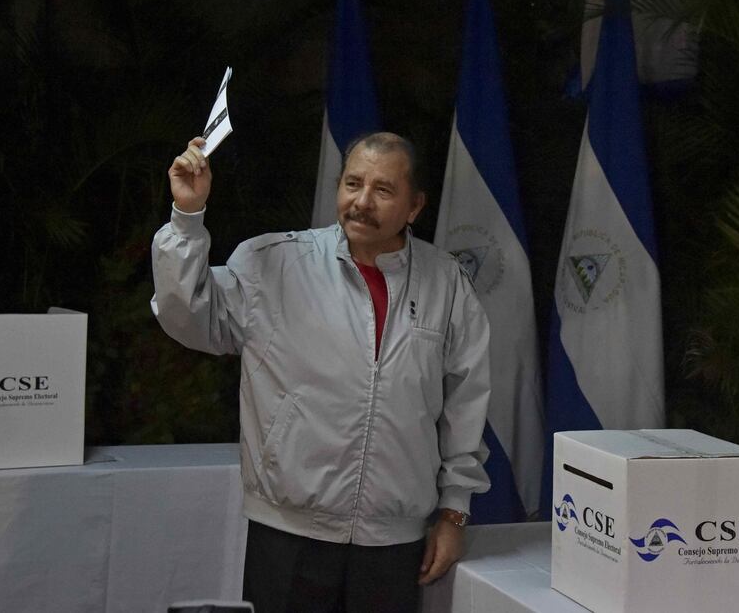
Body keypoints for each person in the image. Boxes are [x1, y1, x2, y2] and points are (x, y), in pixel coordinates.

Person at [151, 131, 492, 612]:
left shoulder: (447, 283)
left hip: (393, 540)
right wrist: (187, 218)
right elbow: (187, 317)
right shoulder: (275, 263)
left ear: (415, 206)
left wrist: (454, 514)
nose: (361, 201)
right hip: (289, 530)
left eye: (383, 190)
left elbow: (465, 403)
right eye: (352, 183)